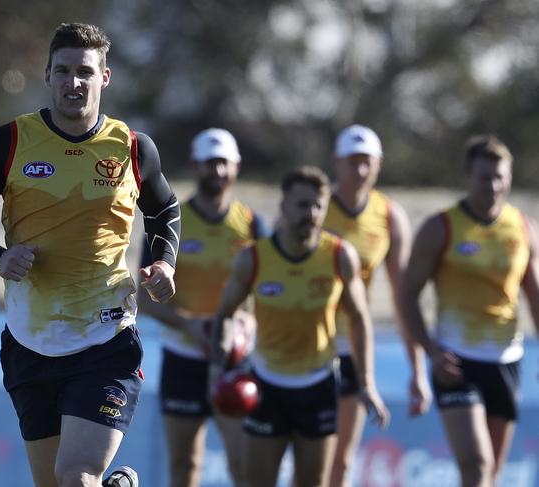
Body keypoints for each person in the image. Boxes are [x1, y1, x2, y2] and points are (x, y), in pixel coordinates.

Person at [0, 23, 181, 487]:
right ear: (48, 76)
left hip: (106, 340)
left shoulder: (133, 148)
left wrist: (165, 263)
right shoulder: (10, 142)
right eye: (64, 71)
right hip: (29, 342)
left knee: (75, 476)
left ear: (104, 77)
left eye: (85, 72)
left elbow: (165, 208)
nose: (74, 82)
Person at [209, 166, 389, 487]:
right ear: (284, 206)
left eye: (319, 205)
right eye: (303, 205)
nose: (312, 213)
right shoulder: (254, 259)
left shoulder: (338, 256)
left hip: (318, 387)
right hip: (266, 387)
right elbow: (224, 314)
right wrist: (219, 367)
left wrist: (367, 383)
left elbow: (360, 319)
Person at [400, 135, 539, 487]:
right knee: (476, 466)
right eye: (484, 177)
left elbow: (535, 295)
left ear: (509, 178)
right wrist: (430, 352)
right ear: (467, 176)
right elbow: (406, 296)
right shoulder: (439, 228)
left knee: (491, 473)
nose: (492, 185)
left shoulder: (522, 228)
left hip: (506, 359)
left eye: (500, 177)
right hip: (456, 362)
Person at [138, 128, 269, 487]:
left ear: (237, 166)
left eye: (223, 163)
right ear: (195, 166)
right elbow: (143, 299)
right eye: (210, 163)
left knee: (244, 463)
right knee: (184, 465)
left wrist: (247, 323)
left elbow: (273, 291)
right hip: (183, 356)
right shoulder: (169, 223)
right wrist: (189, 325)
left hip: (234, 360)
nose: (218, 171)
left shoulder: (253, 225)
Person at [323, 125, 432, 487]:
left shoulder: (388, 215)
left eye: (366, 162)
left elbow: (404, 297)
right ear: (337, 162)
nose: (359, 171)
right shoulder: (316, 206)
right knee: (311, 455)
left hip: (353, 345)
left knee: (342, 458)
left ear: (378, 164)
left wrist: (417, 371)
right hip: (309, 344)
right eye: (352, 162)